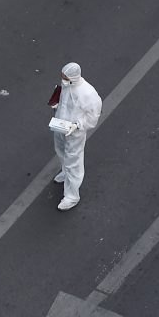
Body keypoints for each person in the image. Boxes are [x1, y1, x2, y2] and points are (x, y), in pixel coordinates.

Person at [53, 62, 102, 211]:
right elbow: (65, 102)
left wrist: (77, 125)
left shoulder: (87, 93)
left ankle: (72, 196)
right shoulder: (68, 86)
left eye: (64, 77)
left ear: (72, 77)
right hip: (61, 125)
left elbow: (93, 116)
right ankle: (65, 173)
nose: (62, 79)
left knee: (73, 162)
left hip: (75, 132)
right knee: (61, 151)